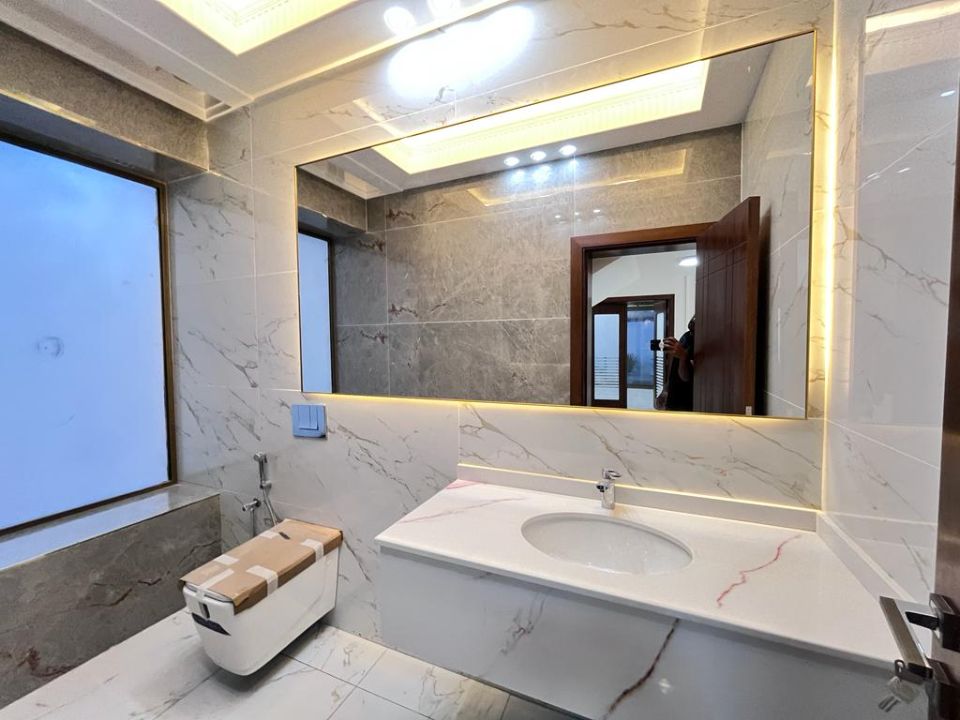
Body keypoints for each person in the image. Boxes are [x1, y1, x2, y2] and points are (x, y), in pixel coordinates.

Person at [655, 316, 695, 411]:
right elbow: (675, 371)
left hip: (683, 406)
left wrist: (683, 357)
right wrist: (665, 390)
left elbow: (687, 377)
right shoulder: (686, 337)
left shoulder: (697, 342)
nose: (692, 321)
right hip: (672, 402)